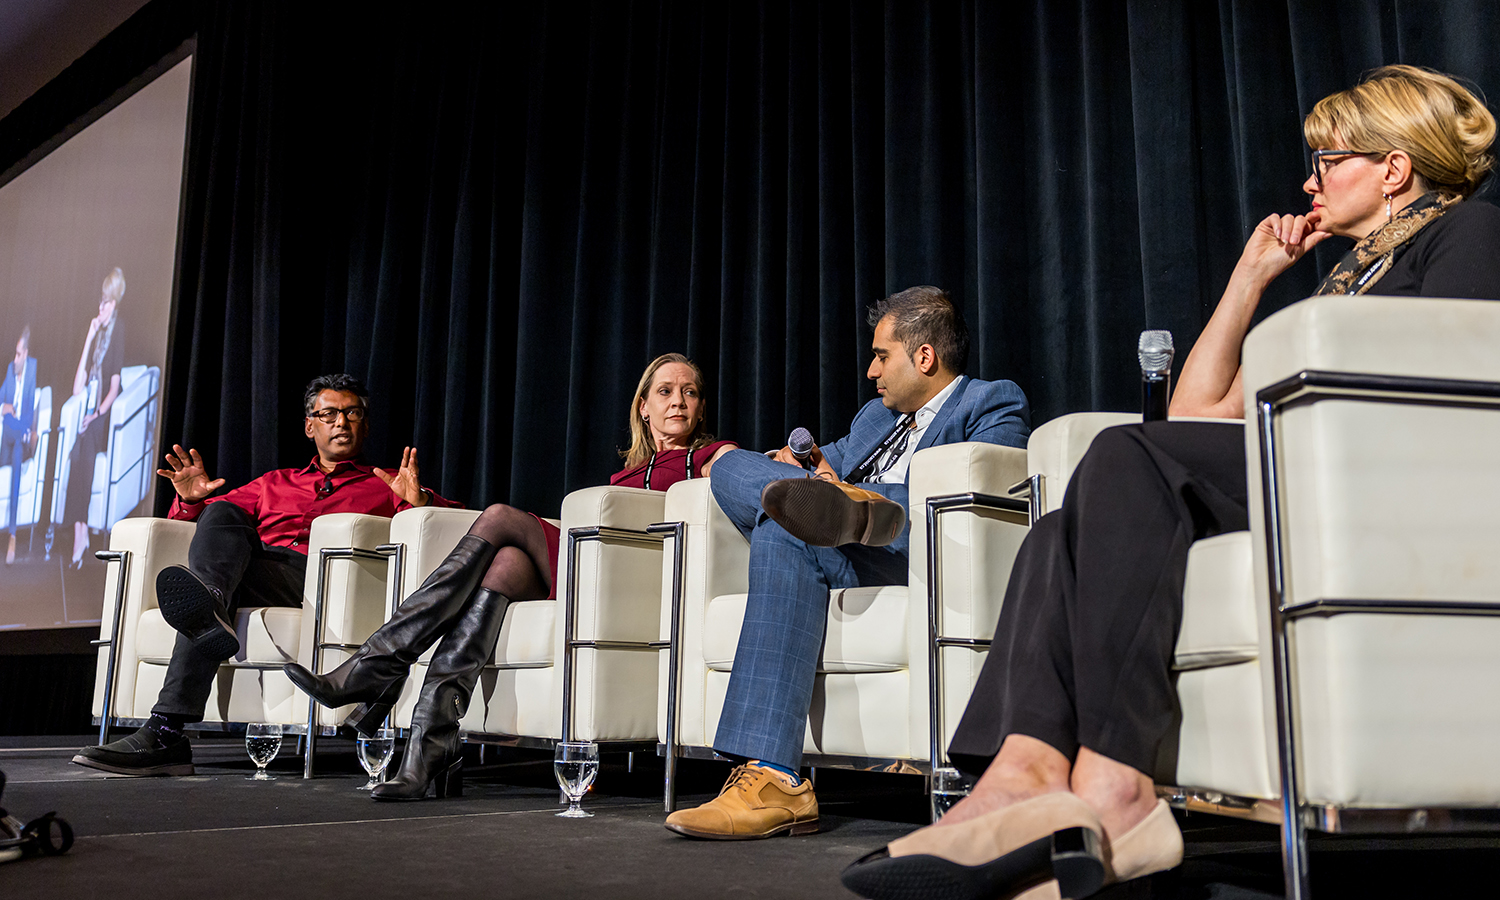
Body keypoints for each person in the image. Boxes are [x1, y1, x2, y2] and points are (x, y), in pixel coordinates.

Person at [840, 65, 1500, 900]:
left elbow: (1448, 398)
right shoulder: (1349, 275)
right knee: (1060, 529)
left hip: (1375, 487)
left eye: (1328, 162)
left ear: (1395, 168)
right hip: (1299, 477)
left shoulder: (1467, 232)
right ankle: (1020, 776)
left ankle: (1115, 786)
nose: (1310, 181)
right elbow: (1194, 413)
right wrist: (1251, 276)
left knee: (1125, 454)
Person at [664, 286, 1031, 840]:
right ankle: (845, 511)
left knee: (792, 524)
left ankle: (773, 780)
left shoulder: (990, 402)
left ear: (924, 356)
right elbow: (810, 472)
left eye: (882, 356)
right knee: (736, 472)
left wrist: (862, 498)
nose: (870, 371)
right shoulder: (876, 418)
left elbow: (993, 496)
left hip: (916, 553)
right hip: (843, 549)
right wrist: (793, 471)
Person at [286, 353, 737, 800]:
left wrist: (772, 462)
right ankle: (429, 745)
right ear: (644, 406)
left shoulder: (711, 456)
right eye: (665, 391)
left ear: (700, 408)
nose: (678, 401)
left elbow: (743, 469)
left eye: (689, 393)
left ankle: (375, 666)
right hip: (591, 577)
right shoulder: (625, 476)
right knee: (504, 564)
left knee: (500, 516)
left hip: (638, 583)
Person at [72, 373, 461, 776]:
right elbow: (214, 527)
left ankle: (166, 730)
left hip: (320, 581)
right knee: (221, 512)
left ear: (365, 424)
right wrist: (190, 503)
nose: (341, 422)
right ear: (310, 426)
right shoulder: (274, 482)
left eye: (352, 413)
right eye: (328, 414)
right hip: (257, 574)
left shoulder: (387, 485)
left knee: (211, 582)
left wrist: (420, 501)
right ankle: (204, 620)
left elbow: (451, 533)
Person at [64, 268, 126, 568]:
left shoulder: (118, 332)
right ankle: (81, 532)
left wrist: (96, 415)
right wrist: (89, 338)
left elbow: (114, 388)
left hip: (104, 415)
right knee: (76, 456)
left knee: (85, 442)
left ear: (114, 303)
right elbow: (77, 388)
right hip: (89, 414)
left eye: (106, 302)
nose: (101, 307)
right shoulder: (98, 336)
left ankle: (82, 533)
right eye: (101, 301)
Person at [0, 327, 36, 565]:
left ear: (27, 354)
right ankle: (25, 436)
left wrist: (22, 425)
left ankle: (12, 536)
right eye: (15, 354)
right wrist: (3, 407)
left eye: (19, 354)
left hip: (17, 444)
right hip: (7, 441)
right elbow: (1, 400)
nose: (15, 359)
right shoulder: (10, 371)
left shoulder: (32, 370)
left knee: (18, 453)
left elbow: (30, 410)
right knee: (10, 423)